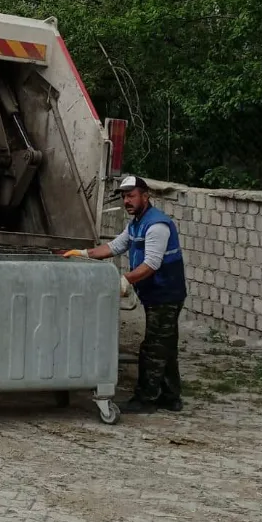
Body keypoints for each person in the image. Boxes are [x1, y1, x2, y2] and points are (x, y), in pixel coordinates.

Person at [65, 175, 186, 414]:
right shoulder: (136, 224)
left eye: (131, 196)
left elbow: (151, 264)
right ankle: (171, 397)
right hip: (156, 294)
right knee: (166, 345)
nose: (127, 201)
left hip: (165, 294)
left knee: (152, 347)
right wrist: (82, 253)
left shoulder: (156, 225)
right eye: (124, 197)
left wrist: (124, 279)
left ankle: (146, 399)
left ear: (145, 195)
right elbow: (114, 247)